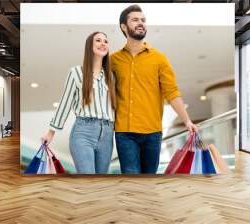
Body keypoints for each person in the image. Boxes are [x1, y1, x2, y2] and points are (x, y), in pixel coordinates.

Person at [111, 5, 198, 174]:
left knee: (150, 179)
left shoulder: (159, 58)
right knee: (131, 178)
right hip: (124, 132)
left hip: (152, 132)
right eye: (135, 20)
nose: (141, 23)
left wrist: (187, 121)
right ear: (123, 26)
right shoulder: (114, 60)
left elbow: (171, 92)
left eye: (143, 20)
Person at [41, 32, 116, 174]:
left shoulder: (111, 77)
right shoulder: (76, 72)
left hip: (107, 135)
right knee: (88, 181)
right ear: (90, 46)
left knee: (102, 183)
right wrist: (51, 133)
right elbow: (65, 103)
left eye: (106, 41)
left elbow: (115, 108)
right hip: (83, 133)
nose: (103, 43)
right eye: (98, 40)